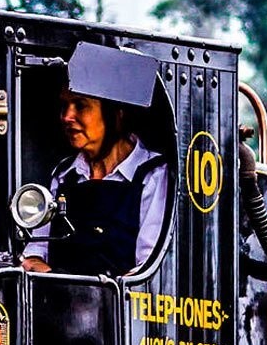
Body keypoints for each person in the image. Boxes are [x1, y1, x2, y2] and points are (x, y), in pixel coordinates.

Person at [20, 87, 170, 276]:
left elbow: (148, 270)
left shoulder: (154, 175)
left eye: (81, 106)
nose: (67, 117)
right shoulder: (64, 175)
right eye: (64, 106)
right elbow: (35, 253)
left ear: (117, 113)